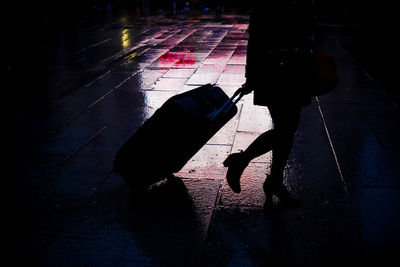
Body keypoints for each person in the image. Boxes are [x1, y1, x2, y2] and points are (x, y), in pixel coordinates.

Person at [223, 1, 313, 207]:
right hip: (276, 71)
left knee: (287, 130)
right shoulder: (267, 4)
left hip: (295, 70)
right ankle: (251, 166)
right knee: (285, 129)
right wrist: (252, 77)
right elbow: (255, 39)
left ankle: (273, 179)